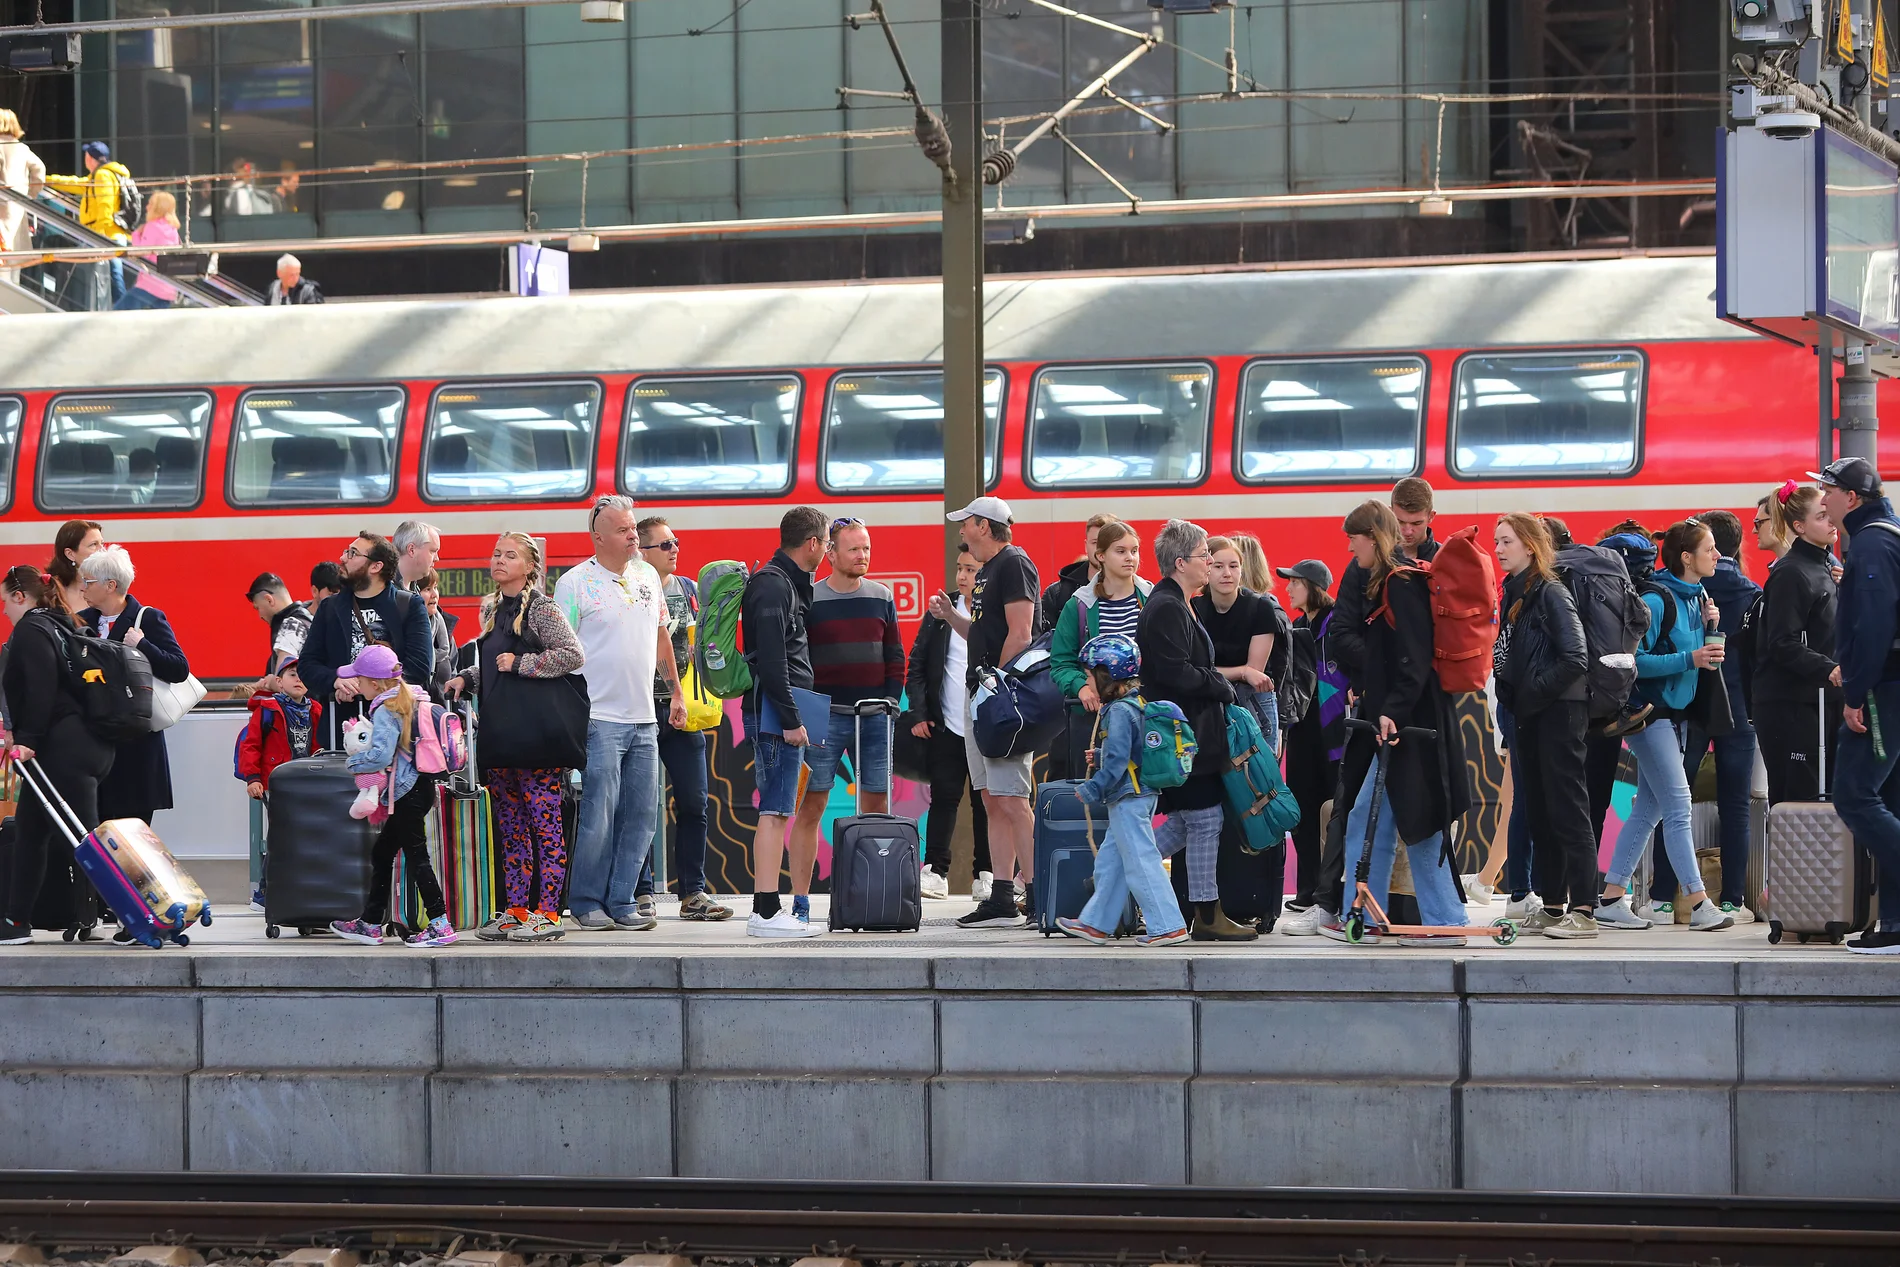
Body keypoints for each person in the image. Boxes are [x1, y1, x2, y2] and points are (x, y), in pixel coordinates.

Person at [1286, 477, 1443, 936]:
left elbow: (1417, 650)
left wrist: (1386, 677)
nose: (1409, 530)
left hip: (1409, 710)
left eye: (1416, 522)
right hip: (1376, 706)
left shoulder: (1425, 568)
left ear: (1430, 518)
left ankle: (1425, 912)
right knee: (1352, 806)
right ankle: (1338, 905)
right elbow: (1345, 636)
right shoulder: (1367, 569)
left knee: (1416, 812)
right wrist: (1378, 675)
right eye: (1402, 521)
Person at [1323, 500, 1470, 947]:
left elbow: (1415, 656)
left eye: (1354, 539)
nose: (1351, 548)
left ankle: (1445, 922)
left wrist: (1395, 710)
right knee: (1375, 819)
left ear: (1371, 536)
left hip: (1412, 724)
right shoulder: (1390, 579)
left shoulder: (1401, 582)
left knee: (1418, 821)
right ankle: (1362, 917)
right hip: (1401, 721)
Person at [1595, 519, 1734, 932]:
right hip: (1649, 715)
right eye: (1709, 549)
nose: (1717, 555)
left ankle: (1611, 897)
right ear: (1687, 558)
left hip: (1675, 717)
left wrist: (1711, 627)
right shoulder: (1657, 601)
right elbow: (1634, 662)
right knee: (1678, 804)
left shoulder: (1697, 598)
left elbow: (1692, 650)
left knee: (1648, 810)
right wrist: (1690, 660)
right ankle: (1699, 901)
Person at [445, 533, 584, 943]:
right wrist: (466, 678)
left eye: (510, 556)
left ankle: (549, 913)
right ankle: (517, 910)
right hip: (502, 737)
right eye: (496, 554)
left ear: (529, 567)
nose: (499, 560)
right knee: (511, 827)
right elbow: (494, 666)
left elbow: (573, 655)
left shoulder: (542, 608)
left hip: (535, 739)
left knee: (545, 825)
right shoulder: (493, 609)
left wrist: (523, 662)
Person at [557, 497, 687, 933]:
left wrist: (677, 695)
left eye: (633, 528)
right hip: (598, 718)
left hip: (645, 716)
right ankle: (587, 900)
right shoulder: (574, 584)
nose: (634, 535)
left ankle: (622, 898)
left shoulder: (649, 575)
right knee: (599, 813)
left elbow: (662, 639)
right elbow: (562, 652)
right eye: (623, 529)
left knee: (642, 815)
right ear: (599, 536)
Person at [787, 517, 906, 922]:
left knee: (875, 804)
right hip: (823, 714)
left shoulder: (881, 595)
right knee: (812, 804)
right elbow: (799, 659)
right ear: (831, 553)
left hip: (875, 715)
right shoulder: (810, 598)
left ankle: (871, 893)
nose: (862, 556)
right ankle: (800, 901)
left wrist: (891, 699)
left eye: (867, 548)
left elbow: (894, 654)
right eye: (854, 549)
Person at [930, 496, 1041, 930]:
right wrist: (948, 617)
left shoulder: (1013, 563)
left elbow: (1021, 633)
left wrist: (1000, 686)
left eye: (965, 524)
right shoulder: (989, 572)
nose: (961, 532)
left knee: (1012, 799)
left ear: (983, 525)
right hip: (982, 695)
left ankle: (1035, 895)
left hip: (998, 699)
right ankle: (1000, 896)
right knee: (992, 798)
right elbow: (984, 632)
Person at [1138, 518, 1251, 942]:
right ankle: (1206, 912)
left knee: (1190, 822)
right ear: (1181, 562)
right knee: (1204, 819)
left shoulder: (1177, 602)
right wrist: (1221, 683)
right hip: (1184, 736)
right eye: (1205, 555)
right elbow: (1174, 671)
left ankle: (1115, 878)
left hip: (1191, 733)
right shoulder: (1167, 606)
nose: (1210, 562)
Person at [1651, 509, 1761, 923]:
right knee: (1736, 805)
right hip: (1738, 711)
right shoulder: (1750, 592)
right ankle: (1733, 898)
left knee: (1672, 802)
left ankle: (1662, 897)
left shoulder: (1691, 588)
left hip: (1693, 707)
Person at [1809, 457, 1900, 953]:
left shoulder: (1870, 546)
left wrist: (1857, 693)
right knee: (1889, 801)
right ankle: (1893, 925)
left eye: (1830, 491)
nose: (1824, 499)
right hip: (1891, 686)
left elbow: (1873, 630)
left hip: (1884, 690)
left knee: (1855, 797)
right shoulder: (1888, 536)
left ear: (1853, 497)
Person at [1492, 514, 1596, 939]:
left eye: (1506, 541)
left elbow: (1576, 657)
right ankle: (1553, 907)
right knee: (1539, 813)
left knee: (1568, 810)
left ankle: (1585, 910)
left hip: (1557, 714)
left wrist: (1533, 692)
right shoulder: (1514, 593)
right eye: (1497, 541)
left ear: (1530, 547)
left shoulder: (1551, 592)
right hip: (1528, 716)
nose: (1498, 549)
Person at [0, 567, 115, 946]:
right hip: (84, 746)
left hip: (63, 749)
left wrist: (27, 738)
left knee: (85, 841)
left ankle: (128, 914)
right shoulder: (63, 624)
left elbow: (41, 686)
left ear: (20, 597)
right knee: (31, 833)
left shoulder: (32, 629)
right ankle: (16, 921)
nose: (4, 612)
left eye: (4, 603)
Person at [1054, 633, 1191, 947]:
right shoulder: (1135, 704)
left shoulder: (1116, 711)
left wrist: (1094, 786)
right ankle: (1096, 923)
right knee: (1112, 863)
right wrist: (1102, 757)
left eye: (1090, 675)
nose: (1088, 681)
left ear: (1107, 675)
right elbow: (1133, 751)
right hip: (1139, 793)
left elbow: (1117, 762)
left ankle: (1168, 925)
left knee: (1140, 860)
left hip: (1128, 797)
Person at [631, 515, 731, 922]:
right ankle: (639, 893)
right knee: (637, 806)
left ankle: (693, 894)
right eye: (665, 544)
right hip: (638, 710)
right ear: (642, 551)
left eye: (676, 542)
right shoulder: (633, 589)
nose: (675, 550)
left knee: (693, 803)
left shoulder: (688, 589)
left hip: (682, 711)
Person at [326, 646, 456, 947]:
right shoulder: (413, 697)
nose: (357, 684)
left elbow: (381, 754)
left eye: (359, 679)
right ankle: (371, 922)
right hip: (421, 787)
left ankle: (439, 924)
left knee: (416, 856)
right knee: (383, 853)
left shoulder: (386, 709)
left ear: (375, 682)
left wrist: (352, 762)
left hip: (406, 792)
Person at [742, 506, 829, 939]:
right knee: (776, 811)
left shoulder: (784, 584)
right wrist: (793, 720)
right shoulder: (774, 588)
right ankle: (765, 911)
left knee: (777, 809)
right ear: (811, 543)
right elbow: (774, 662)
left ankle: (767, 910)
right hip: (777, 713)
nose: (828, 550)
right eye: (827, 542)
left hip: (781, 710)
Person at [75, 546, 190, 835]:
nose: (81, 587)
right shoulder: (80, 621)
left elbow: (179, 668)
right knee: (97, 837)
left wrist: (142, 645)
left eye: (88, 582)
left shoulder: (148, 618)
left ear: (110, 585)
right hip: (94, 745)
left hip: (136, 750)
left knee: (132, 843)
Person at [907, 544, 993, 901]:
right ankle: (935, 872)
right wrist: (919, 712)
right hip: (946, 726)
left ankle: (986, 875)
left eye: (971, 570)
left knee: (985, 802)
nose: (962, 576)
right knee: (943, 798)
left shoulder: (994, 613)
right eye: (960, 568)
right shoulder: (941, 612)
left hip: (987, 727)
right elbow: (917, 664)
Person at [1754, 481, 1840, 806]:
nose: (1831, 520)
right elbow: (1781, 642)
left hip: (1820, 701)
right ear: (1799, 527)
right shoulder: (1792, 573)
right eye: (1821, 516)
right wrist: (1829, 668)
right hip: (1792, 705)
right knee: (1797, 802)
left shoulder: (1828, 568)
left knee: (1823, 800)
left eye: (1830, 513)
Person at [299, 532, 434, 712]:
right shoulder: (329, 607)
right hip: (341, 725)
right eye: (346, 551)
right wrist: (335, 680)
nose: (342, 558)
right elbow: (307, 665)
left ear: (376, 566)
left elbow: (419, 667)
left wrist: (369, 687)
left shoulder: (409, 605)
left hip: (394, 722)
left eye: (352, 553)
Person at [1277, 559, 1342, 918]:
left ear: (1314, 586)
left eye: (1295, 583)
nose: (1288, 589)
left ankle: (1332, 888)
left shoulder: (1337, 624)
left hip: (1335, 731)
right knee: (1302, 808)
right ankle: (1308, 888)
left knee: (1334, 809)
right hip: (1303, 729)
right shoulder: (1297, 626)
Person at [1050, 520, 1151, 713]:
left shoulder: (1152, 599)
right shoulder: (1078, 605)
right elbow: (1061, 663)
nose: (1130, 558)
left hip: (1144, 711)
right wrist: (1081, 686)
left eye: (1134, 551)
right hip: (1094, 714)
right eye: (1121, 551)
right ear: (1101, 556)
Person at [1196, 535, 1282, 745]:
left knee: (1259, 775)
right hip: (1209, 702)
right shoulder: (1194, 608)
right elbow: (1195, 669)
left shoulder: (1261, 607)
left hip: (1254, 701)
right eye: (1218, 566)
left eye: (1233, 566)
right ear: (1206, 568)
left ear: (1242, 570)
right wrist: (1242, 671)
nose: (1227, 573)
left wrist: (1240, 672)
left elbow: (1255, 671)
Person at [44, 141, 132, 307]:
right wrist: (46, 180)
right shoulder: (98, 176)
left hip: (105, 235)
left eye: (86, 155)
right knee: (113, 274)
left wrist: (99, 238)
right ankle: (118, 307)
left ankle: (122, 308)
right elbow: (74, 183)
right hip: (108, 234)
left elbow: (105, 206)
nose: (85, 158)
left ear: (91, 158)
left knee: (114, 275)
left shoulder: (103, 176)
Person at [238, 659, 320, 800]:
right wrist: (253, 778)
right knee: (278, 821)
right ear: (279, 682)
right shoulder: (267, 709)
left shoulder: (316, 710)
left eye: (302, 675)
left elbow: (318, 747)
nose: (299, 679)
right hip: (275, 782)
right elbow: (251, 745)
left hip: (308, 782)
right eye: (292, 674)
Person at [393, 520, 455, 694]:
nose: (437, 558)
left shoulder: (414, 598)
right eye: (433, 551)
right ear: (411, 550)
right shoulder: (385, 596)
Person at [1040, 512, 1121, 636]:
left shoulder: (1139, 592)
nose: (1100, 549)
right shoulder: (1057, 594)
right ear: (1086, 546)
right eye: (1095, 543)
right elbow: (1046, 645)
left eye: (1106, 543)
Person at [0, 109, 46, 287]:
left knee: (2, 259)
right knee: (14, 265)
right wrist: (29, 195)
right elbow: (39, 170)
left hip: (1, 209)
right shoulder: (22, 148)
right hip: (17, 209)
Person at [114, 190, 181, 311]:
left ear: (158, 208)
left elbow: (141, 252)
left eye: (150, 204)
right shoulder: (172, 229)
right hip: (168, 287)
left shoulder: (153, 226)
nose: (146, 207)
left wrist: (137, 234)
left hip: (150, 285)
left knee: (118, 312)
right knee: (159, 325)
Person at [246, 572, 312, 683]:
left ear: (269, 600)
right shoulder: (308, 619)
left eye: (258, 608)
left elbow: (283, 684)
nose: (260, 616)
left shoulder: (291, 626)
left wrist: (269, 683)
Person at [48, 520, 104, 617]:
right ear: (70, 554)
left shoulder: (108, 587)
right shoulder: (51, 593)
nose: (102, 550)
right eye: (93, 544)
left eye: (101, 543)